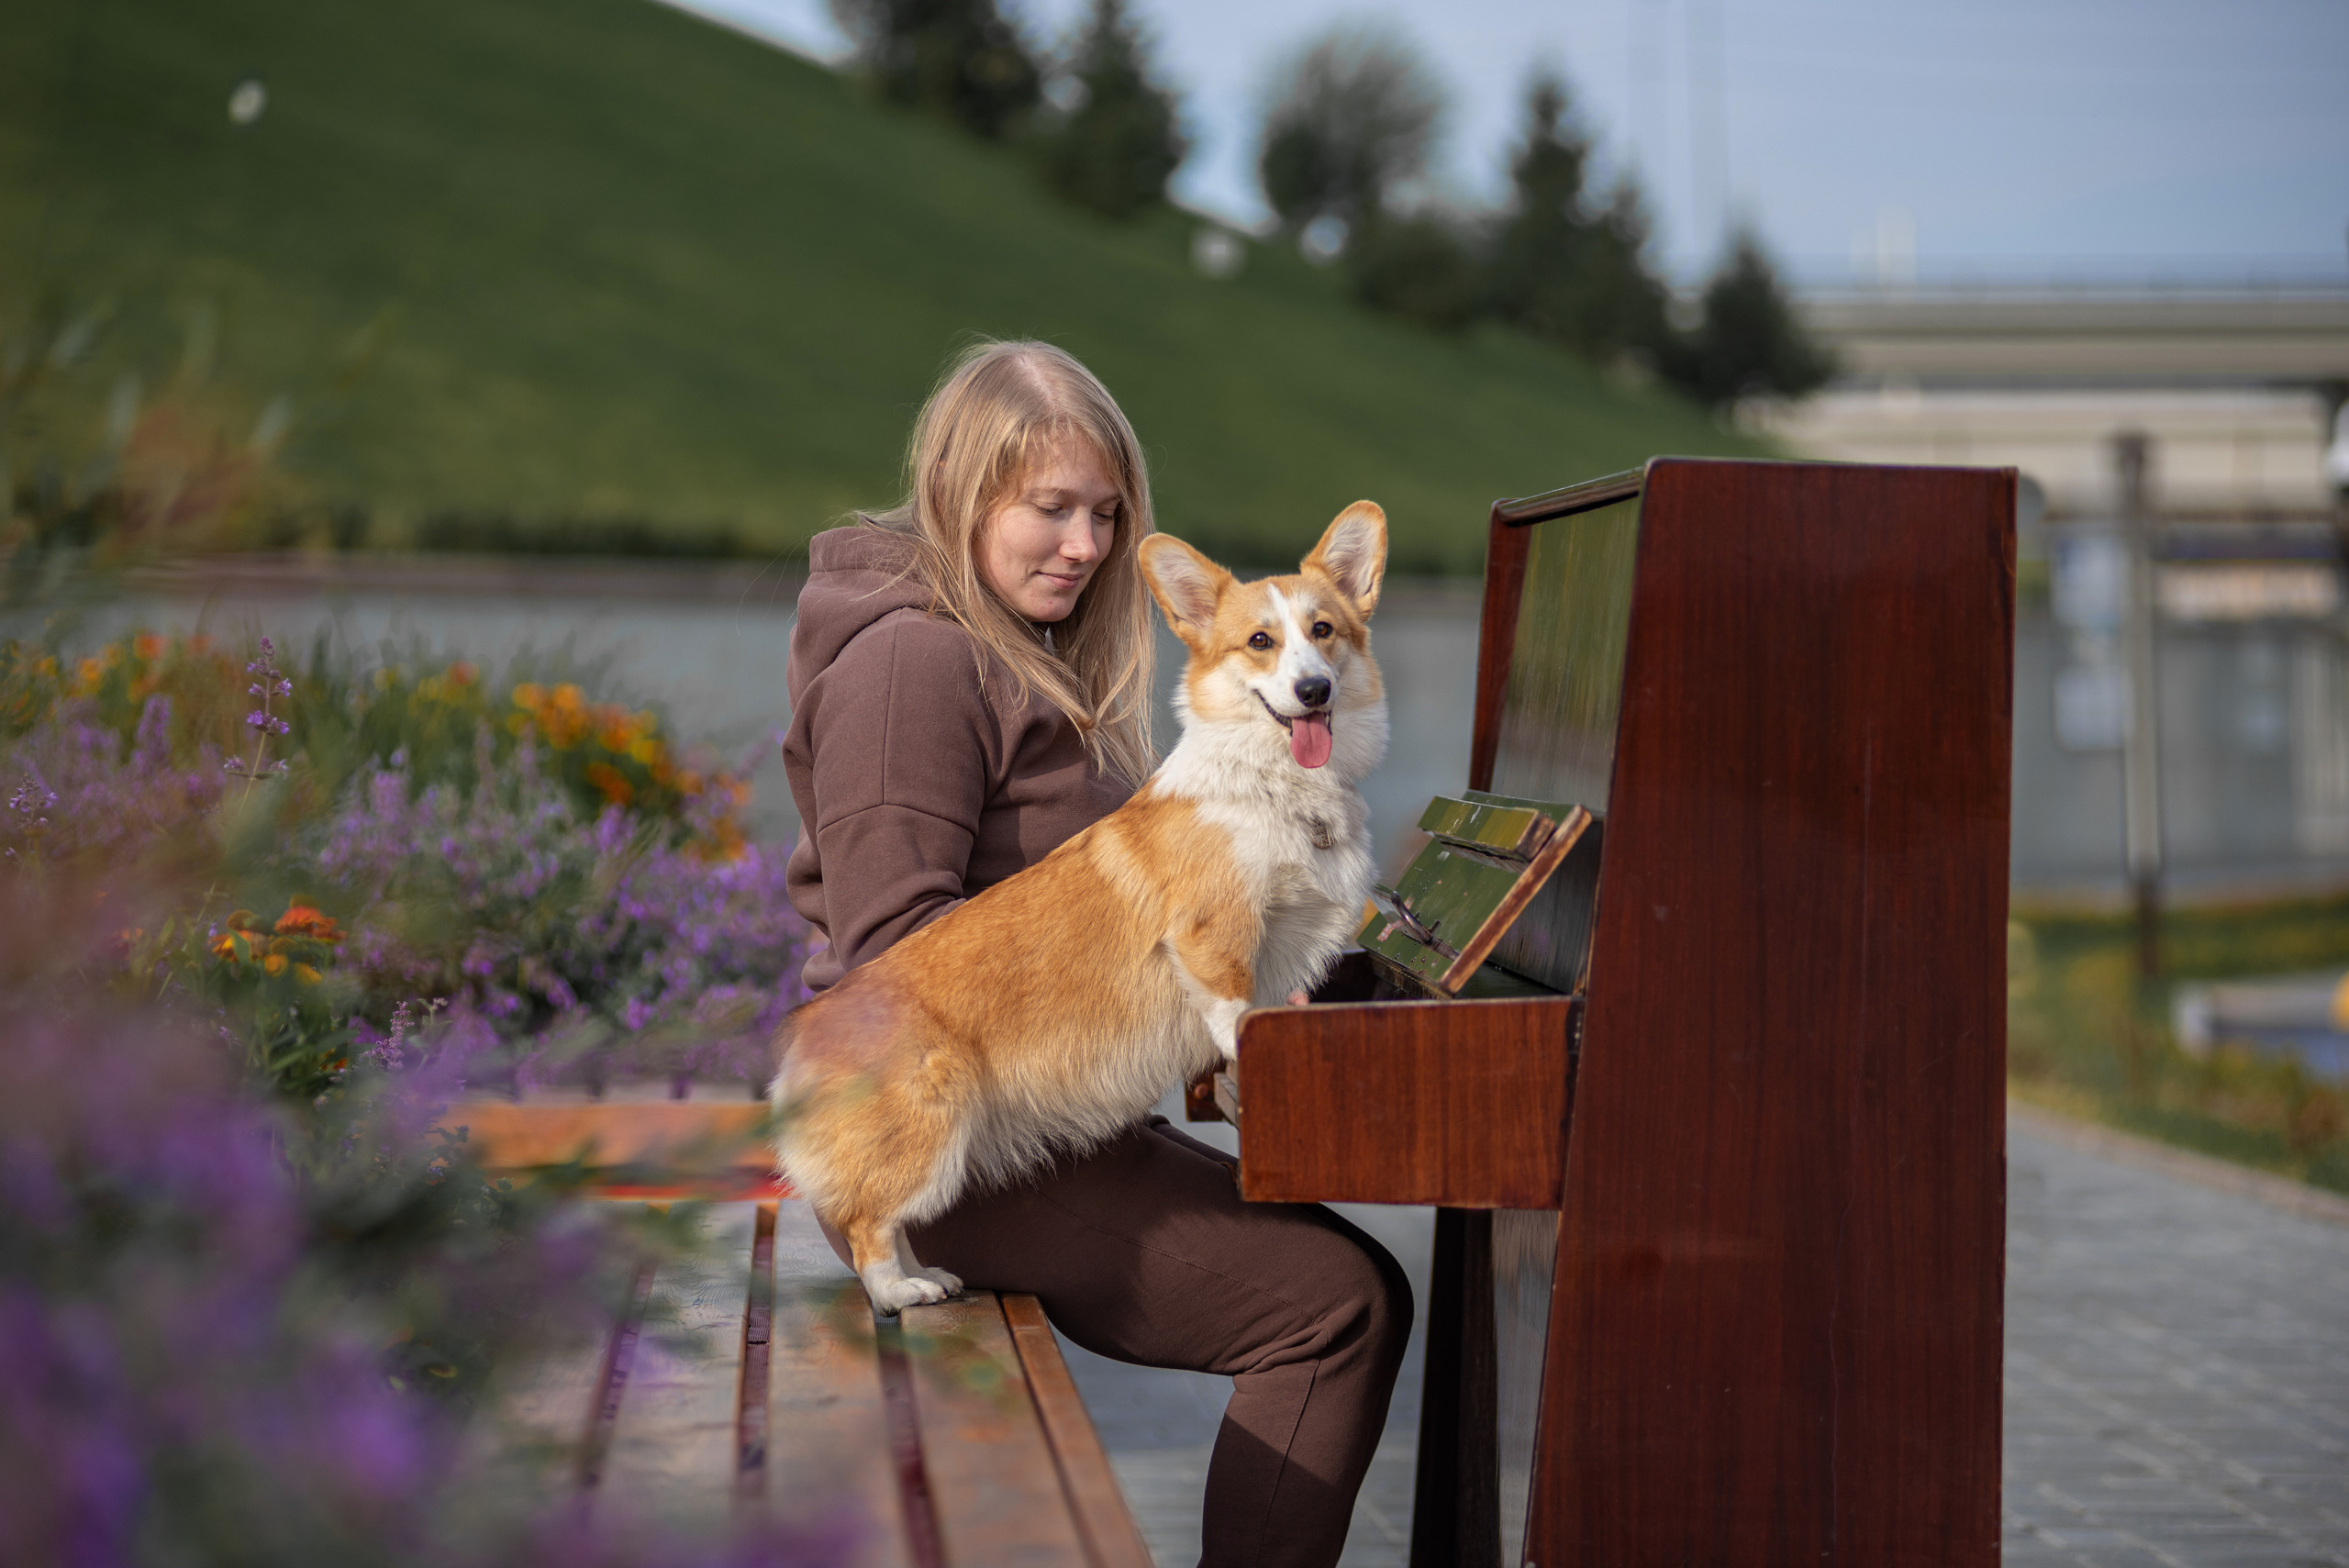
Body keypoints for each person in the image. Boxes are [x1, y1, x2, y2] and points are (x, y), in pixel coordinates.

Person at [780, 340, 1412, 1568]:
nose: (1084, 543)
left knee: (1352, 1276)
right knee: (1335, 1307)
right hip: (958, 1149)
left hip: (1045, 1113)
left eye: (1107, 512)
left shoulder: (1007, 644)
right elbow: (894, 972)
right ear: (964, 487)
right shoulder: (914, 667)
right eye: (1050, 507)